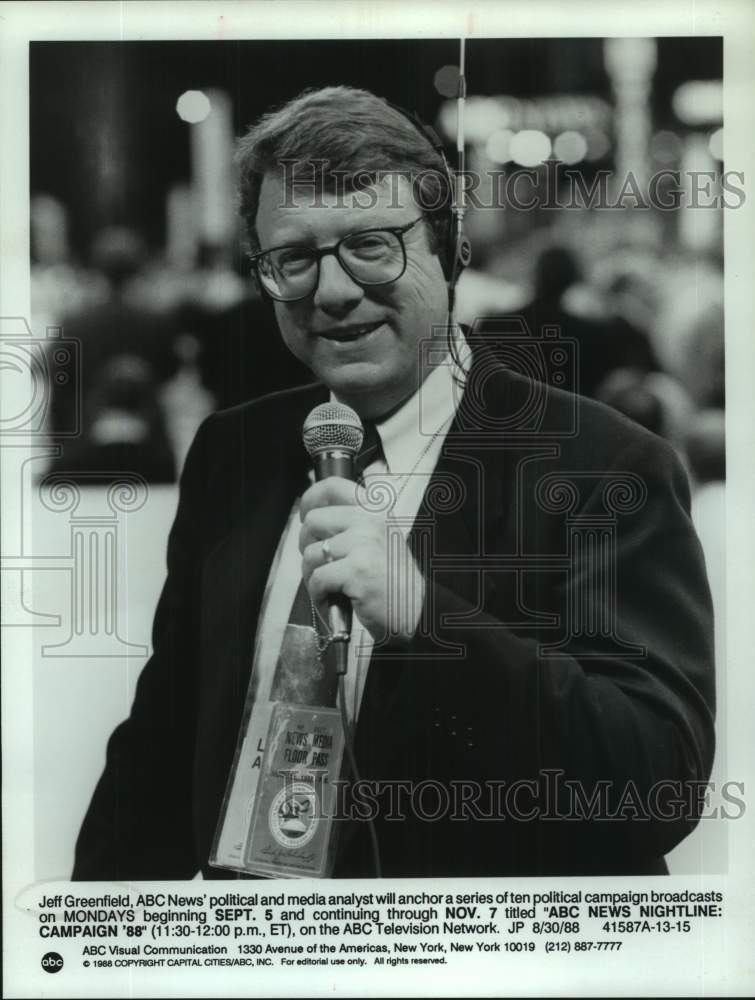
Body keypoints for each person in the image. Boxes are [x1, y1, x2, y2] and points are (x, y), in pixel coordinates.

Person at [73, 86, 715, 880]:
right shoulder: (232, 452)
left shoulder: (599, 465)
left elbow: (657, 786)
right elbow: (159, 749)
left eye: (371, 244)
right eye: (294, 258)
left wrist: (422, 616)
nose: (333, 290)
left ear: (450, 251)